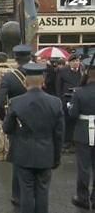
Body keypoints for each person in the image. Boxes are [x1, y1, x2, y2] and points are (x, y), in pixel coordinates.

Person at [3, 63, 64, 213]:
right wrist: (56, 157)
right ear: (43, 81)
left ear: (25, 82)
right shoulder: (55, 103)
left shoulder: (15, 102)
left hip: (23, 154)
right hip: (46, 154)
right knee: (43, 192)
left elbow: (7, 128)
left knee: (26, 193)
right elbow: (59, 134)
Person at [0, 45, 31, 206]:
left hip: (17, 123)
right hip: (39, 123)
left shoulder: (9, 77)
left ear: (15, 58)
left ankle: (17, 196)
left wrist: (6, 121)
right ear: (29, 57)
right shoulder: (38, 73)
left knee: (18, 160)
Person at [69, 57, 95, 210]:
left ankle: (83, 197)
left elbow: (73, 114)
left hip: (83, 131)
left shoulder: (79, 92)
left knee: (83, 167)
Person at [56, 54, 82, 151]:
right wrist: (60, 99)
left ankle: (76, 141)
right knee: (67, 122)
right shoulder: (63, 71)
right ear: (70, 62)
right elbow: (58, 86)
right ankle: (66, 142)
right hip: (66, 100)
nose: (76, 63)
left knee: (77, 122)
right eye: (74, 61)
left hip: (79, 100)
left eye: (78, 61)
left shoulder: (83, 72)